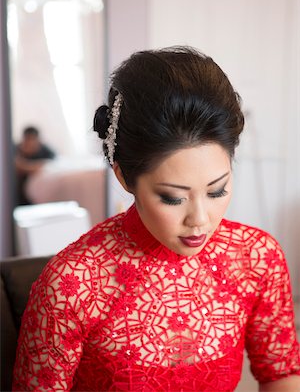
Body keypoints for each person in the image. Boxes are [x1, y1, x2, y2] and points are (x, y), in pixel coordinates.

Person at [13, 47, 299, 391]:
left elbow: (280, 372)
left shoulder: (256, 257)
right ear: (124, 177)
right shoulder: (72, 285)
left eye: (217, 191)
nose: (200, 220)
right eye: (173, 197)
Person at [14, 126, 56, 205]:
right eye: (27, 140)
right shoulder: (16, 149)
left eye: (32, 139)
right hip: (19, 192)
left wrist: (25, 166)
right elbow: (16, 166)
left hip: (39, 192)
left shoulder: (46, 150)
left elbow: (50, 167)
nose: (30, 143)